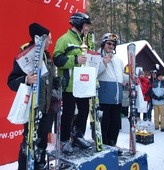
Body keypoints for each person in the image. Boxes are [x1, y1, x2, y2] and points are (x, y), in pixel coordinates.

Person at [7, 23, 54, 170]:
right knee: (30, 142)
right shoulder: (26, 56)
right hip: (32, 109)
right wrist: (26, 80)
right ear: (41, 39)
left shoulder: (46, 55)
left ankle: (39, 165)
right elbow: (11, 82)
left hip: (46, 107)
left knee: (42, 142)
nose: (51, 42)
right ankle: (24, 167)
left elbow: (48, 78)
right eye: (49, 39)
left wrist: (57, 82)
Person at [53, 12, 92, 155]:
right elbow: (57, 59)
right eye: (86, 25)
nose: (87, 28)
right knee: (68, 114)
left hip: (82, 84)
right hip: (69, 84)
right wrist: (75, 60)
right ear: (78, 24)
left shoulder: (83, 42)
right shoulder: (65, 39)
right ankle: (63, 141)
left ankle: (77, 136)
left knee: (84, 111)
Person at [97, 33, 124, 155]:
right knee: (105, 123)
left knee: (115, 123)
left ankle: (112, 143)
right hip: (104, 96)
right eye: (109, 43)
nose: (111, 46)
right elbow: (94, 73)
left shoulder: (118, 60)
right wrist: (104, 62)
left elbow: (120, 77)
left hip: (117, 97)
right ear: (103, 43)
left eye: (113, 44)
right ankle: (102, 145)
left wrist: (130, 78)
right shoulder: (97, 56)